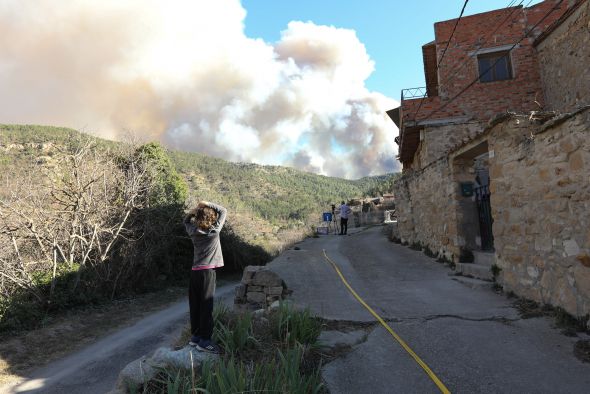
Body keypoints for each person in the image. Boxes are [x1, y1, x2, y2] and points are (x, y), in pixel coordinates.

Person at [184, 201, 227, 354]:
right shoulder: (213, 233)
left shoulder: (192, 230)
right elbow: (223, 210)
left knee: (195, 305)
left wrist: (195, 210)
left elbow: (185, 220)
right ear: (211, 219)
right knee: (206, 307)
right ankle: (205, 341)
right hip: (207, 273)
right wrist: (207, 203)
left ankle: (195, 337)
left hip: (194, 272)